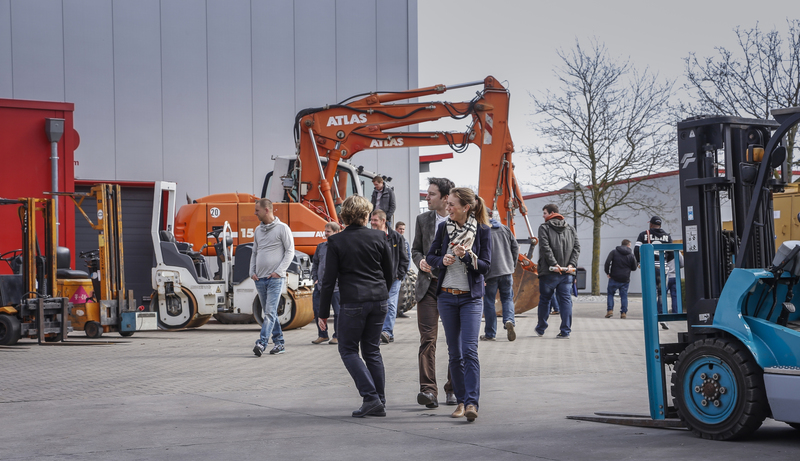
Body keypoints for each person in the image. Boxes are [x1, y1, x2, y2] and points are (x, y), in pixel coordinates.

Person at [318, 195, 394, 418]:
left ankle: (370, 398)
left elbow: (328, 280)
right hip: (379, 300)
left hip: (353, 301)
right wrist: (382, 294)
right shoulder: (379, 236)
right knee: (372, 350)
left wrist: (322, 313)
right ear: (365, 215)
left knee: (348, 349)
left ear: (344, 216)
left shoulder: (336, 241)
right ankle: (379, 400)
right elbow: (389, 273)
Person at [427, 187, 492, 423]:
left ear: (466, 207)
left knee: (469, 351)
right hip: (446, 297)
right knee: (454, 353)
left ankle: (472, 402)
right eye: (447, 204)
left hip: (470, 299)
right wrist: (441, 260)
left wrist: (466, 256)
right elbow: (430, 256)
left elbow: (486, 266)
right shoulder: (444, 228)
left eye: (452, 204)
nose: (447, 208)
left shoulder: (483, 231)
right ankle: (462, 402)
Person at [412, 177, 456, 409]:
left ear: (445, 198)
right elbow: (416, 249)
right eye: (427, 193)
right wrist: (420, 261)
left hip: (453, 287)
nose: (427, 197)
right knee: (427, 339)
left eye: (431, 194)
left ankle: (453, 388)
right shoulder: (423, 219)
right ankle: (428, 391)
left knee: (455, 340)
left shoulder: (461, 219)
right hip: (428, 287)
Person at [251, 198, 295, 357]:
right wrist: (252, 272)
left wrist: (279, 271)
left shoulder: (282, 228)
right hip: (260, 279)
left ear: (267, 210)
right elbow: (254, 252)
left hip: (275, 279)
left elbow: (290, 251)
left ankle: (262, 343)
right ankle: (279, 343)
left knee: (269, 312)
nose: (255, 213)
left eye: (257, 210)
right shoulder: (258, 230)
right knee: (270, 313)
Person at [534, 204, 580, 339]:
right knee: (566, 301)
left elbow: (545, 247)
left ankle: (541, 328)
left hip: (549, 272)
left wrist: (554, 264)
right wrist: (571, 264)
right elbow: (577, 248)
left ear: (551, 213)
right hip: (567, 272)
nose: (543, 215)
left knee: (545, 300)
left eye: (544, 213)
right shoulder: (571, 228)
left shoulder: (544, 228)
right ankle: (565, 331)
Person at [371, 210, 408, 344]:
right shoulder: (370, 236)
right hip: (376, 278)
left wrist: (399, 275)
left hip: (393, 278)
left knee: (390, 304)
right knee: (376, 305)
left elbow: (404, 258)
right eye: (371, 220)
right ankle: (376, 332)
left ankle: (387, 332)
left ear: (383, 221)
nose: (372, 223)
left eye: (375, 220)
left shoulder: (396, 237)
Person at [481, 216, 519, 341]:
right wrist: (512, 265)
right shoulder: (504, 229)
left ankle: (490, 334)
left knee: (489, 302)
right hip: (506, 271)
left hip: (490, 273)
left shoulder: (481, 230)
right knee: (507, 298)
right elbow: (515, 247)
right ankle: (509, 320)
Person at [634, 216, 673, 316]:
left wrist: (639, 262)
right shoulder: (667, 236)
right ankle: (661, 313)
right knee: (662, 292)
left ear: (650, 224)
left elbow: (636, 249)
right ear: (660, 225)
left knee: (650, 291)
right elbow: (672, 253)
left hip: (649, 267)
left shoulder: (643, 234)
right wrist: (665, 262)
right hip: (663, 268)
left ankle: (651, 314)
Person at [311, 222, 341, 345]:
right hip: (320, 286)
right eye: (325, 231)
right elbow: (315, 263)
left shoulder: (341, 247)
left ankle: (337, 336)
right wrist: (315, 278)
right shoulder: (321, 247)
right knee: (318, 311)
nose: (326, 233)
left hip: (336, 287)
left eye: (328, 231)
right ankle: (322, 335)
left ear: (336, 232)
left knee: (338, 312)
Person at [604, 239, 638, 319]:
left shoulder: (614, 252)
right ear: (628, 245)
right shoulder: (631, 255)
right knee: (624, 296)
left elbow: (607, 262)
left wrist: (607, 272)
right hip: (625, 279)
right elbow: (634, 268)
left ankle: (610, 310)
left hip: (614, 277)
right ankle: (623, 313)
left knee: (610, 294)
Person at [395, 221, 413, 318]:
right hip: (396, 270)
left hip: (403, 270)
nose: (401, 231)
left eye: (403, 229)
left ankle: (400, 311)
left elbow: (408, 255)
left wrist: (407, 268)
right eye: (400, 229)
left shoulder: (405, 241)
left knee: (403, 291)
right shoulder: (393, 239)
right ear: (396, 229)